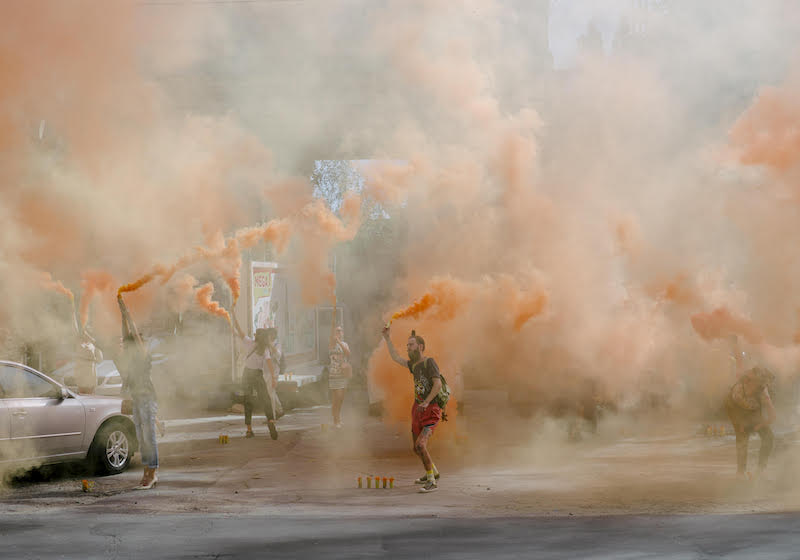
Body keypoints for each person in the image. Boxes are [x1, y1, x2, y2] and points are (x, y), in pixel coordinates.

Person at [381, 324, 443, 493]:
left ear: (420, 347)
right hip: (417, 410)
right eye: (407, 345)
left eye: (411, 345)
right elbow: (395, 357)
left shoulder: (430, 362)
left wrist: (427, 402)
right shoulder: (413, 365)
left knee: (421, 445)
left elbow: (437, 384)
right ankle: (433, 472)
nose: (408, 348)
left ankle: (432, 481)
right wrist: (387, 338)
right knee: (416, 447)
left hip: (431, 410)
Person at [117, 296, 159, 490]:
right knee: (141, 437)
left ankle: (152, 472)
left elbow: (132, 333)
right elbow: (127, 333)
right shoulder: (132, 359)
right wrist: (121, 314)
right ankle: (147, 471)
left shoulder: (142, 355)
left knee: (149, 436)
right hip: (137, 399)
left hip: (147, 398)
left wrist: (127, 312)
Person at [725, 366, 776, 478]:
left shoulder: (762, 392)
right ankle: (740, 472)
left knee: (768, 437)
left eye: (763, 384)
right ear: (748, 380)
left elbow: (772, 416)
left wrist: (760, 425)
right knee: (742, 438)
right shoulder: (737, 392)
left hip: (753, 410)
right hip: (735, 409)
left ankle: (761, 469)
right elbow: (734, 413)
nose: (762, 386)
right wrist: (740, 425)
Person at [233, 317, 278, 440]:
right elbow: (269, 364)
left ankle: (249, 430)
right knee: (266, 398)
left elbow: (239, 330)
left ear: (256, 336)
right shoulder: (265, 348)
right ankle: (271, 420)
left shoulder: (250, 343)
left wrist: (233, 314)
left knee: (248, 401)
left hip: (247, 374)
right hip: (258, 375)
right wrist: (273, 378)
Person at [328, 324, 351, 428]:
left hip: (343, 374)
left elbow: (347, 353)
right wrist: (336, 341)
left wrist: (340, 342)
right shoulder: (331, 343)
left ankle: (338, 418)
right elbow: (331, 347)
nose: (339, 333)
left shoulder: (345, 344)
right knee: (336, 397)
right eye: (337, 331)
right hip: (334, 374)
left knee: (341, 398)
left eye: (340, 331)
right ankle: (335, 420)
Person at [74, 329, 103, 394]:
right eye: (84, 335)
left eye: (87, 335)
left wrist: (93, 359)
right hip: (81, 375)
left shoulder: (94, 347)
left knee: (90, 395)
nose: (85, 336)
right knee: (82, 394)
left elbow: (100, 360)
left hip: (90, 375)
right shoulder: (79, 345)